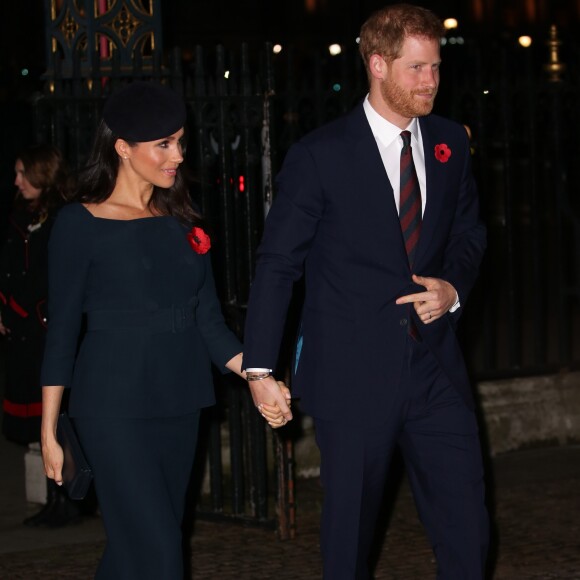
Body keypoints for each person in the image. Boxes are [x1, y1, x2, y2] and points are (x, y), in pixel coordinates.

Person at [242, 4, 489, 579]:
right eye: (416, 69)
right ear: (377, 64)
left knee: (468, 532)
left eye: (436, 68)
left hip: (436, 371)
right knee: (349, 542)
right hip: (352, 377)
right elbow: (278, 264)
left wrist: (453, 287)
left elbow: (470, 233)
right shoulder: (319, 156)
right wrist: (259, 370)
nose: (431, 81)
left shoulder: (451, 143)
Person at [40, 81, 289, 579]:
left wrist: (258, 376)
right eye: (163, 144)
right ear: (122, 148)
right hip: (112, 409)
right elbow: (62, 330)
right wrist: (48, 429)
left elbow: (209, 323)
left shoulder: (182, 224)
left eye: (180, 141)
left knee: (138, 550)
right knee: (159, 553)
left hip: (179, 402)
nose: (177, 155)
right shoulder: (79, 224)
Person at [0, 144, 82, 527]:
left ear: (41, 173)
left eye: (22, 172)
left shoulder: (62, 217)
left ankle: (69, 500)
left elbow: (45, 277)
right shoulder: (20, 217)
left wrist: (15, 311)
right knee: (39, 422)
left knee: (59, 419)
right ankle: (54, 499)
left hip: (46, 330)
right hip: (24, 335)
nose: (17, 180)